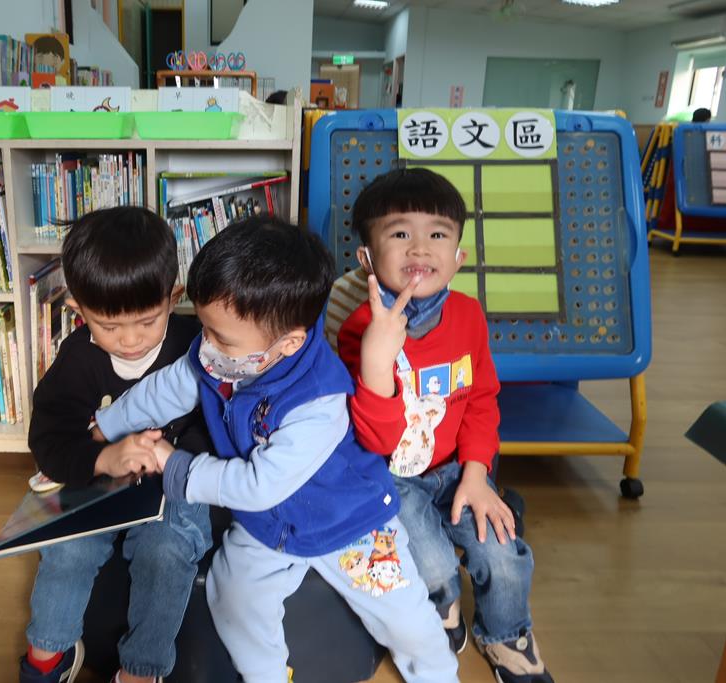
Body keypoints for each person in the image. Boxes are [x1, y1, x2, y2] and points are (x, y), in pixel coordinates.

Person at [95, 217, 458, 683]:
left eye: (221, 338)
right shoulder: (221, 356)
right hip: (268, 525)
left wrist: (176, 467)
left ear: (288, 344)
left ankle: (438, 675)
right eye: (204, 328)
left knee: (407, 620)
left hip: (349, 525)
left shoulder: (319, 403)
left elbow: (258, 484)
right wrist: (108, 425)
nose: (205, 346)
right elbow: (167, 388)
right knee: (233, 597)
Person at [337, 167, 553, 683]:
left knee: (502, 554)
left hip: (458, 467)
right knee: (431, 565)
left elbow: (481, 400)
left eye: (437, 234)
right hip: (390, 474)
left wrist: (477, 473)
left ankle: (505, 633)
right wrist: (376, 360)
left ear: (458, 256)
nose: (419, 248)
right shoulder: (358, 329)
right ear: (366, 259)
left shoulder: (468, 315)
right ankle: (441, 609)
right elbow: (372, 438)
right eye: (399, 233)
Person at [20, 206, 212, 683]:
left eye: (146, 322)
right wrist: (104, 457)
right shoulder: (77, 360)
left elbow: (217, 422)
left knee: (167, 551)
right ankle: (49, 652)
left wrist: (175, 456)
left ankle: (140, 671)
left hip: (176, 484)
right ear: (78, 311)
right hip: (98, 484)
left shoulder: (197, 345)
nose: (129, 341)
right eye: (108, 326)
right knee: (66, 549)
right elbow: (49, 441)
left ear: (174, 297)